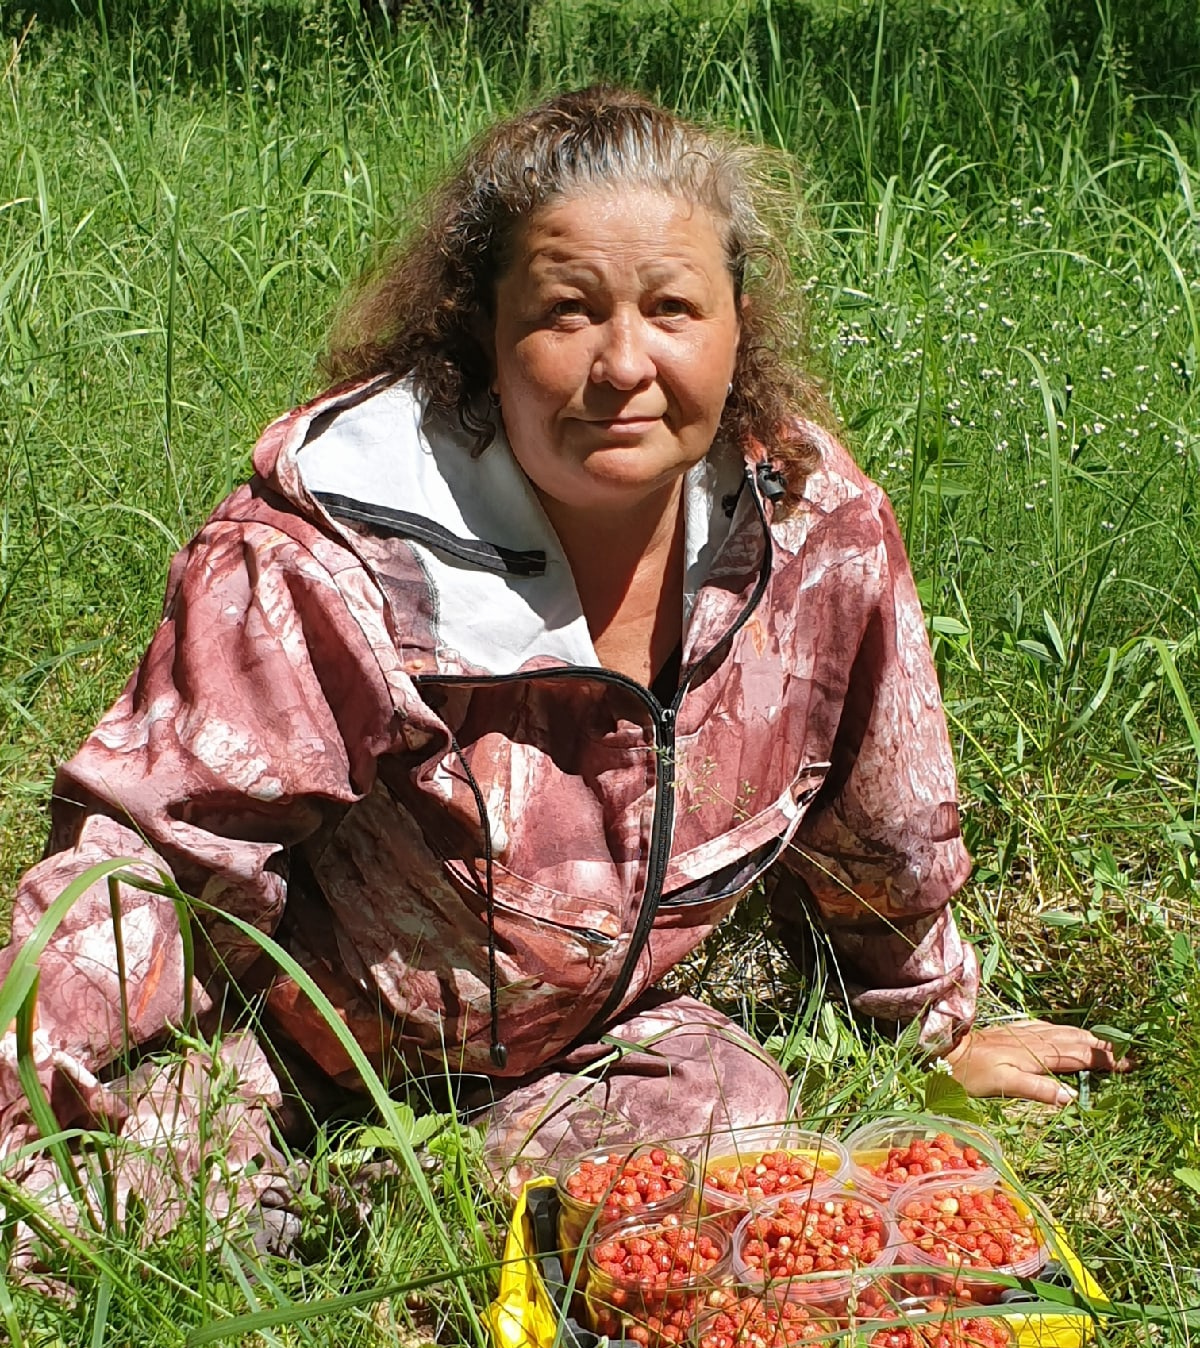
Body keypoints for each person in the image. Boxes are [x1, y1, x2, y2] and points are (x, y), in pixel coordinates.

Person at [0, 87, 1125, 1260]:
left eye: (674, 308)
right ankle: (315, 1196)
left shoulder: (813, 532)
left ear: (739, 322)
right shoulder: (330, 561)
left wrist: (935, 1033)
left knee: (738, 1128)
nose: (624, 364)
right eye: (567, 312)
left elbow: (878, 827)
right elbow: (147, 873)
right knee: (75, 1227)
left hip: (594, 1057)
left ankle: (392, 1213)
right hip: (289, 1056)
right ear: (482, 332)